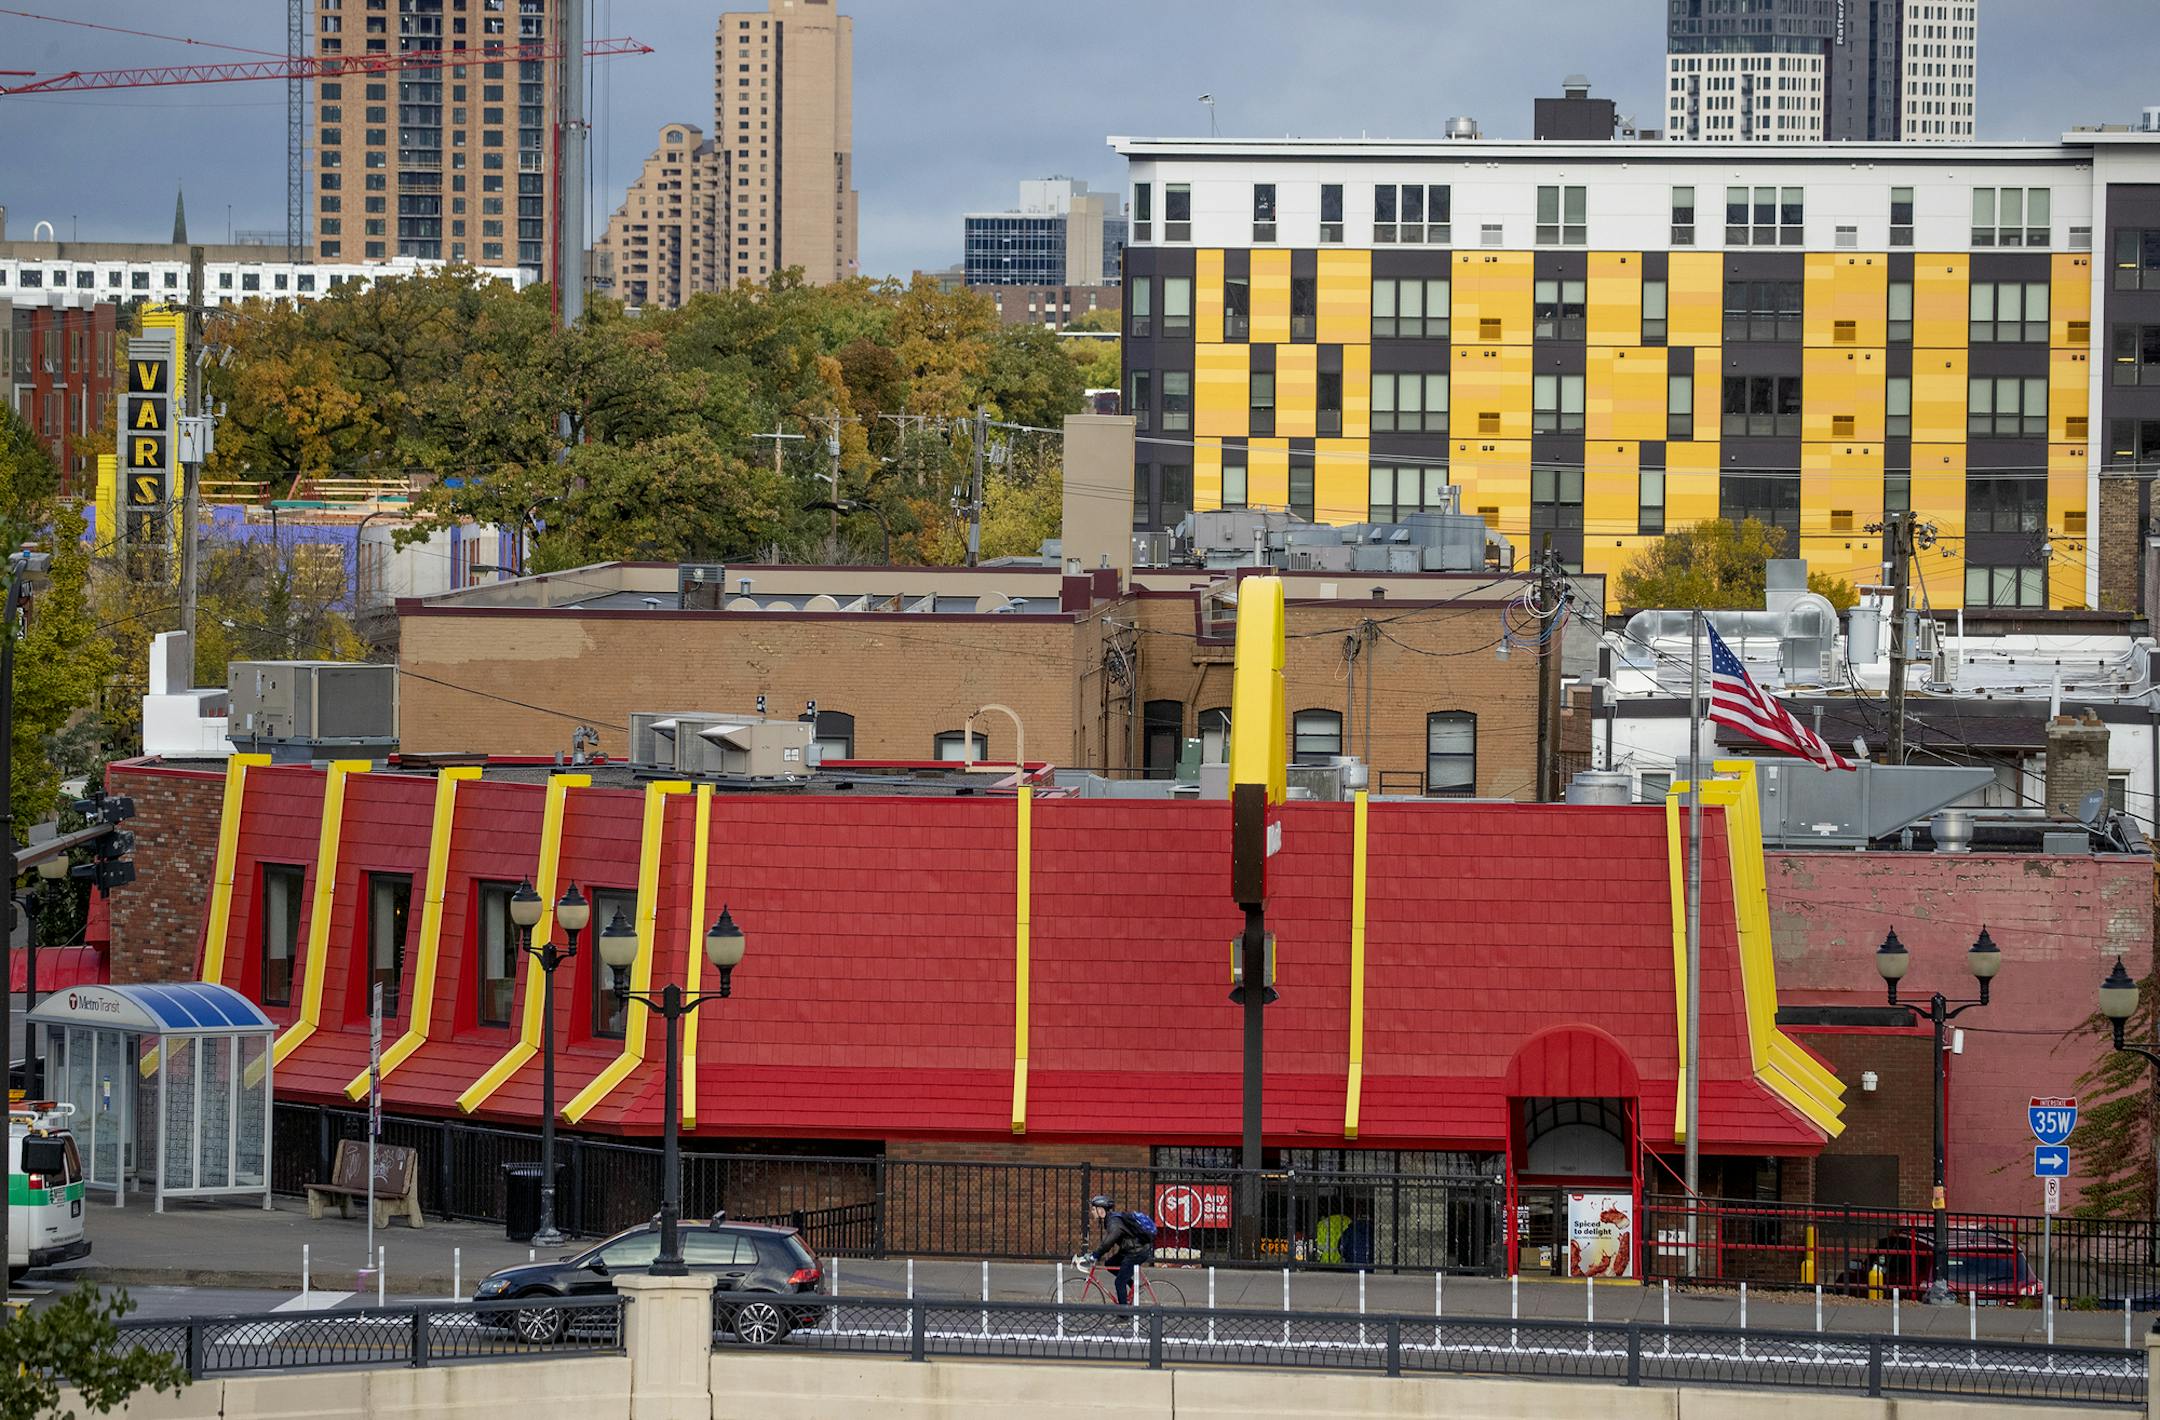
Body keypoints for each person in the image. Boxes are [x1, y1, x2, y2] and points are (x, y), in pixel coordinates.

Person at [1074, 1193, 1153, 1305]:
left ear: (1101, 1210)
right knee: (1110, 1264)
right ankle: (1133, 1286)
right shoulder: (1111, 1219)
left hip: (1137, 1252)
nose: (1092, 1212)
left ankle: (1123, 1316)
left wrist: (1095, 1255)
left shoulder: (1114, 1222)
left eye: (1093, 1209)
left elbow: (1108, 1242)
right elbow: (1108, 1242)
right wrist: (1096, 1254)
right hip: (1130, 1249)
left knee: (1119, 1282)